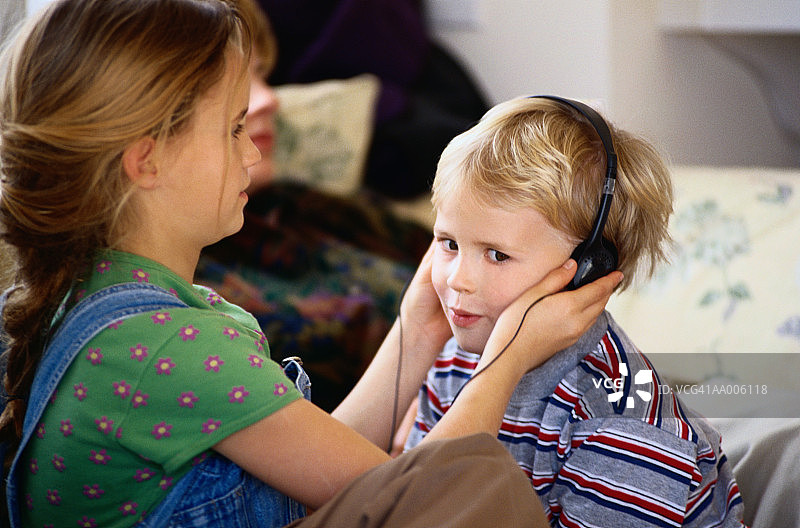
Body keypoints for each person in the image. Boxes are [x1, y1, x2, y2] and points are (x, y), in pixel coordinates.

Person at [0, 1, 621, 527]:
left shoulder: (124, 307)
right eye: (233, 127)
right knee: (483, 486)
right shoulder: (164, 343)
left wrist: (418, 327)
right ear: (148, 160)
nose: (253, 149)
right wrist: (509, 359)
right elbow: (414, 504)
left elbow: (338, 479)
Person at [404, 96, 747, 527]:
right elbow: (408, 505)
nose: (456, 279)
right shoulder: (455, 363)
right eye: (449, 244)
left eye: (496, 254)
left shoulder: (625, 423)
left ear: (588, 269)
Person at [197, 0, 434, 412]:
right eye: (238, 84)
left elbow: (442, 252)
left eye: (261, 74)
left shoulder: (302, 204)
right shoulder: (201, 299)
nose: (269, 99)